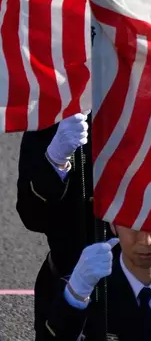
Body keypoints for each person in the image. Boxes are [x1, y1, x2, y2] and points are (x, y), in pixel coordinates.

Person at [15, 112, 115, 339]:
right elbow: (31, 216)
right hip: (65, 284)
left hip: (137, 288)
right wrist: (54, 161)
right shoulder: (53, 115)